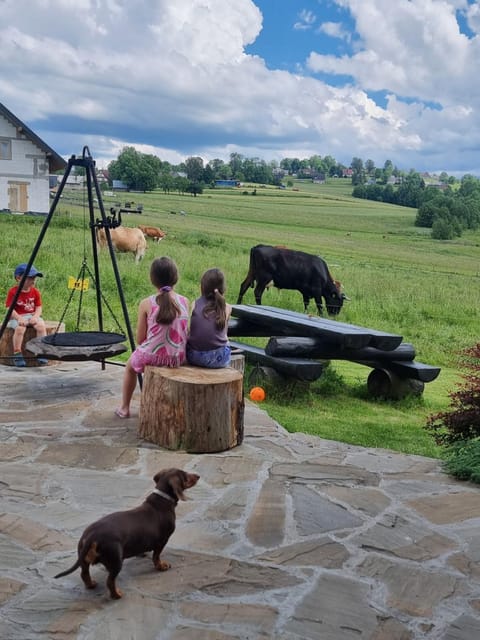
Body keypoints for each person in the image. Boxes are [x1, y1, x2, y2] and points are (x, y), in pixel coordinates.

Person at [115, 257, 189, 418]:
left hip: (153, 356)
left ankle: (125, 408)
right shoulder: (185, 301)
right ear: (176, 277)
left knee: (129, 367)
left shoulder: (146, 303)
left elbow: (140, 339)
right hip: (178, 357)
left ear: (152, 279)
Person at [187, 267, 232, 368]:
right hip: (219, 359)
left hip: (194, 357)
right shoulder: (227, 308)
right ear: (223, 289)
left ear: (202, 287)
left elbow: (191, 330)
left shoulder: (195, 304)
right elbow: (225, 334)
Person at [5, 263, 48, 367]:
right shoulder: (13, 292)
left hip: (31, 315)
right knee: (20, 329)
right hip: (16, 317)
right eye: (30, 278)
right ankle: (17, 353)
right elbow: (9, 309)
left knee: (41, 327)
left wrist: (36, 317)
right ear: (19, 278)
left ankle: (41, 351)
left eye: (34, 278)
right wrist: (19, 318)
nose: (33, 280)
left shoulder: (35, 292)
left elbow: (39, 307)